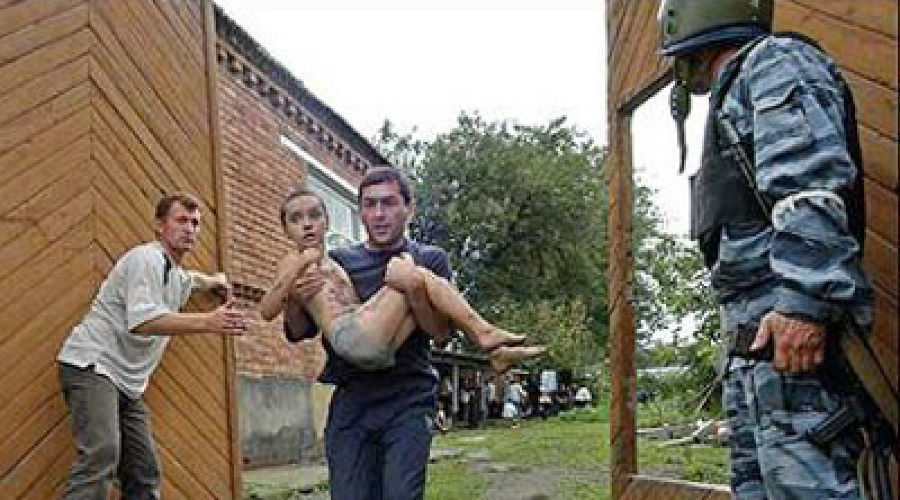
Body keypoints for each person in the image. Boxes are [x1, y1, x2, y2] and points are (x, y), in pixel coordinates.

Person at [658, 1, 878, 498]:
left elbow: (809, 189)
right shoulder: (738, 87)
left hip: (794, 348)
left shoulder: (775, 62)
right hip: (759, 352)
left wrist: (803, 305)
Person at [276, 167, 541, 499]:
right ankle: (487, 337)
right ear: (361, 211)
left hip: (407, 398)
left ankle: (486, 336)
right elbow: (298, 331)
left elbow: (440, 333)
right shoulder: (341, 261)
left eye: (388, 203)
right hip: (352, 399)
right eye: (370, 205)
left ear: (408, 208)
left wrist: (413, 288)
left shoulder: (429, 258)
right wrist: (295, 297)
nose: (379, 214)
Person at [56, 193, 248, 499]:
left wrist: (214, 280)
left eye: (195, 223)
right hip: (92, 366)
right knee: (100, 456)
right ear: (160, 225)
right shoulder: (146, 258)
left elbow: (191, 279)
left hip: (128, 386)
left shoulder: (175, 275)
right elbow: (142, 320)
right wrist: (209, 321)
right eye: (181, 220)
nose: (190, 229)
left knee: (144, 472)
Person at [259, 188, 544, 375]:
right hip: (349, 338)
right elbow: (266, 310)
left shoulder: (334, 262)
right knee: (413, 273)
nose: (307, 224)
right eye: (296, 219)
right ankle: (483, 333)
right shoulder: (293, 260)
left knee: (415, 281)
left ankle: (493, 354)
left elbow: (437, 332)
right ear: (285, 229)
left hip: (376, 345)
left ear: (326, 221)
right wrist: (294, 280)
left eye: (314, 215)